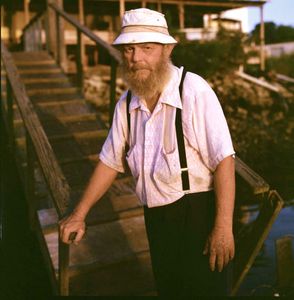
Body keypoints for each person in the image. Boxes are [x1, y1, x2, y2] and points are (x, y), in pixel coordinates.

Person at [59, 8, 235, 297]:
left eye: (147, 48)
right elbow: (109, 161)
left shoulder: (193, 90)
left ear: (167, 50)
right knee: (169, 290)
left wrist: (223, 227)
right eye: (129, 49)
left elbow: (224, 160)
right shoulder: (126, 103)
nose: (136, 58)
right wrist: (79, 214)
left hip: (197, 215)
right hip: (155, 217)